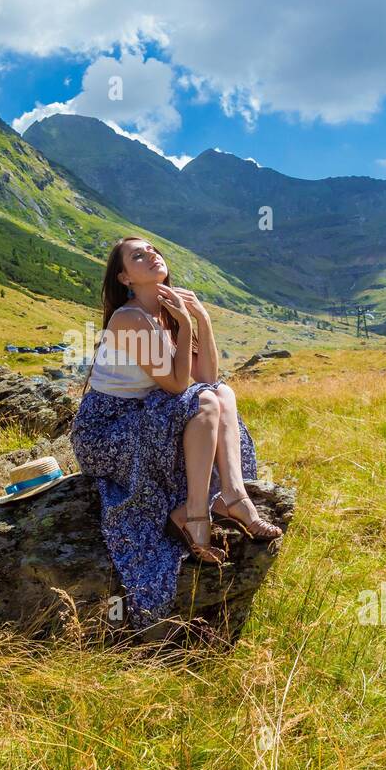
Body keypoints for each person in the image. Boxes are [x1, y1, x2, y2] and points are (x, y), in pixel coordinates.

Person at [70, 236, 282, 628]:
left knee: (222, 393)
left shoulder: (169, 313)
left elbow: (208, 378)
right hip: (106, 430)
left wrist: (201, 319)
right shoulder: (129, 318)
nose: (151, 254)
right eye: (138, 255)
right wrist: (185, 323)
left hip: (146, 414)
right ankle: (197, 513)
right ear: (124, 277)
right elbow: (176, 386)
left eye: (153, 249)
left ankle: (231, 496)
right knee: (203, 400)